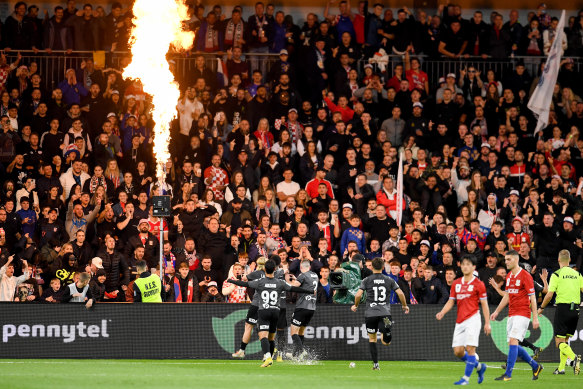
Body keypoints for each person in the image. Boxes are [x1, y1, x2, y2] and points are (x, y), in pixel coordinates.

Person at [226, 259, 313, 367]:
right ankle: (270, 357)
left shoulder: (260, 282)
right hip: (276, 312)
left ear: (264, 269)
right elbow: (293, 288)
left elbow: (244, 283)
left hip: (264, 311)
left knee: (263, 336)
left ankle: (267, 356)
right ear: (274, 269)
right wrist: (309, 291)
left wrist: (231, 281)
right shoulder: (280, 282)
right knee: (271, 338)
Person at [435, 255, 490, 385]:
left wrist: (487, 323)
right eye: (463, 264)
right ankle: (480, 367)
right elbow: (451, 301)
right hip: (460, 320)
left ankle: (465, 379)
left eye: (468, 264)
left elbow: (484, 304)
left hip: (473, 319)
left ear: (473, 267)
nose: (465, 266)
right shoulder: (456, 283)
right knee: (458, 351)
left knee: (471, 349)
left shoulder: (479, 284)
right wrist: (442, 312)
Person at [490, 250, 543, 381]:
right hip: (512, 314)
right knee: (513, 345)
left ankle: (508, 374)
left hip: (523, 313)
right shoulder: (509, 276)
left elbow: (533, 298)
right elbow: (507, 295)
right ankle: (535, 366)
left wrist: (535, 317)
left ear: (516, 260)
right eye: (506, 259)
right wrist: (497, 311)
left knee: (514, 341)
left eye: (509, 259)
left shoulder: (525, 276)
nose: (506, 262)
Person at [351, 257, 410, 370]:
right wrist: (404, 305)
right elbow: (400, 293)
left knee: (372, 339)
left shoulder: (366, 280)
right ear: (383, 267)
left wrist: (356, 305)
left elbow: (358, 295)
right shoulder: (389, 280)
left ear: (372, 267)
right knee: (386, 342)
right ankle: (387, 331)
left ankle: (375, 365)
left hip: (370, 314)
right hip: (385, 312)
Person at [537, 250, 582, 375]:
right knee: (565, 340)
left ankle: (573, 358)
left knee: (559, 342)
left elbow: (549, 295)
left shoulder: (556, 274)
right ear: (569, 260)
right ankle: (561, 368)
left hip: (563, 309)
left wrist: (541, 307)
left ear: (558, 260)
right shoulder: (577, 275)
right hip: (576, 310)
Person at [232, 257, 266, 359]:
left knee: (248, 326)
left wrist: (250, 270)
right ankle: (268, 353)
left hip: (256, 304)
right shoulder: (271, 275)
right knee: (264, 329)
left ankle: (242, 351)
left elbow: (243, 279)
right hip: (267, 305)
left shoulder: (255, 273)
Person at [287, 260, 319, 359]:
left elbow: (293, 286)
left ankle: (301, 350)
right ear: (309, 267)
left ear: (301, 267)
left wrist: (287, 280)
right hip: (312, 308)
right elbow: (307, 284)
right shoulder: (315, 275)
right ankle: (295, 355)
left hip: (302, 306)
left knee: (293, 332)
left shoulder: (303, 275)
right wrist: (298, 279)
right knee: (301, 332)